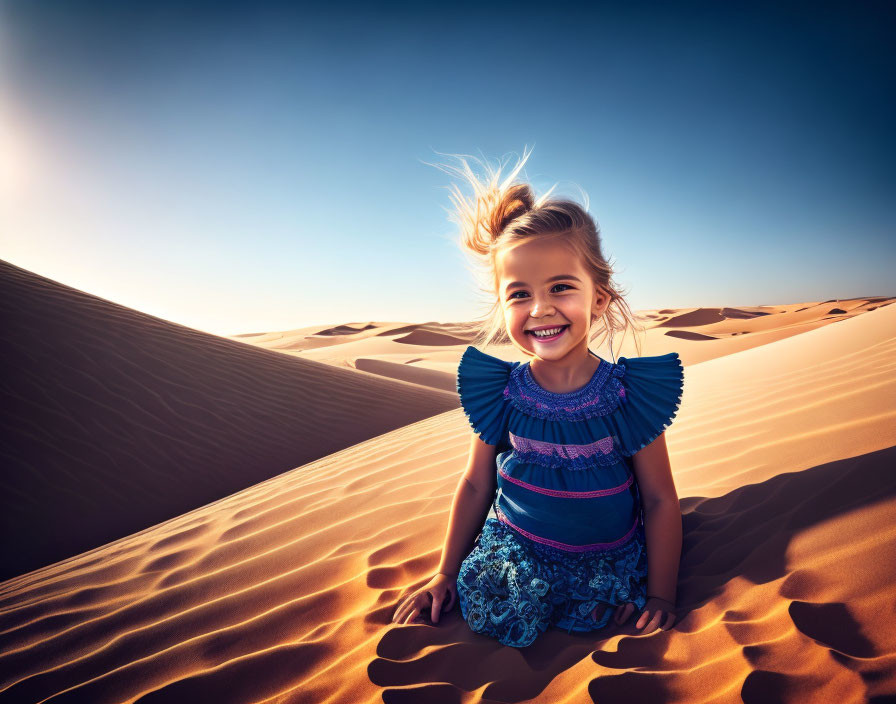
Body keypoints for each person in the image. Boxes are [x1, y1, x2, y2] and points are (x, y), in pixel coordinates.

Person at [391, 147, 684, 648]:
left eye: (561, 287)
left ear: (598, 298)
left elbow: (658, 499)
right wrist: (444, 573)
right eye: (520, 293)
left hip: (607, 563)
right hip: (517, 552)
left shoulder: (627, 396)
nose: (541, 309)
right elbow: (476, 485)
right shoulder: (500, 392)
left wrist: (661, 595)